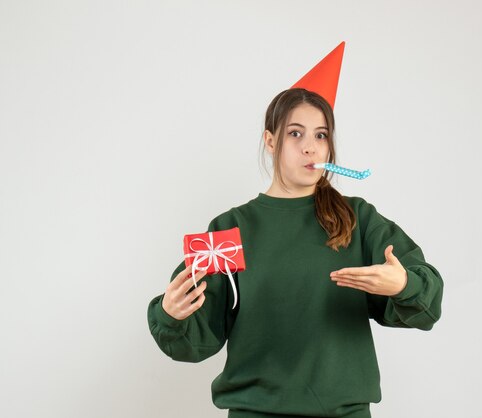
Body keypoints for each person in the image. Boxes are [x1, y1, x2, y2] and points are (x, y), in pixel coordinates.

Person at [147, 43, 444, 418]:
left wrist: (404, 285)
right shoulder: (229, 229)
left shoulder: (358, 218)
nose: (310, 148)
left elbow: (427, 300)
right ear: (271, 141)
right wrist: (172, 314)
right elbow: (196, 339)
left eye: (321, 136)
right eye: (296, 134)